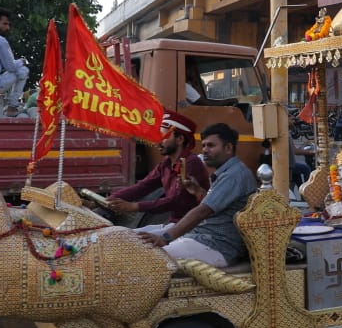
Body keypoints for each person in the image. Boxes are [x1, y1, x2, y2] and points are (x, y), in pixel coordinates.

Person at [141, 122, 257, 267]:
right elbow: (218, 207)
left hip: (217, 246)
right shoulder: (227, 172)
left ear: (228, 148)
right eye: (203, 146)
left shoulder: (234, 175)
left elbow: (202, 211)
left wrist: (165, 237)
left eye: (211, 146)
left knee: (145, 259)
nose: (205, 150)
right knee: (136, 246)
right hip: (202, 238)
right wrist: (197, 190)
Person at [106, 111, 210, 224]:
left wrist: (134, 206)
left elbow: (175, 201)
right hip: (174, 224)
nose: (158, 143)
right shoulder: (166, 164)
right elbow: (142, 187)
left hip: (192, 226)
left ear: (180, 139)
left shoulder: (191, 163)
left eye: (163, 137)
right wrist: (109, 200)